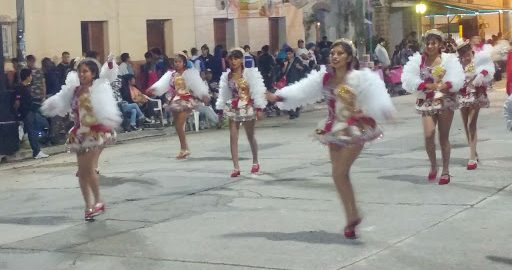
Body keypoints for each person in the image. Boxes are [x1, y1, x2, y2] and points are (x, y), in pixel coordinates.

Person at [266, 39, 395, 239]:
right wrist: (280, 97)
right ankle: (352, 216)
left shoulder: (360, 78)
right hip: (333, 128)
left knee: (339, 173)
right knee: (339, 176)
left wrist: (385, 109)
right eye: (332, 53)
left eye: (340, 53)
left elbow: (376, 93)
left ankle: (353, 215)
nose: (334, 56)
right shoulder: (324, 78)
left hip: (355, 128)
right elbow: (303, 90)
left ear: (349, 58)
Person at [41, 57, 121, 221]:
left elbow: (107, 105)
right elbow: (60, 100)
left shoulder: (99, 88)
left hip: (95, 132)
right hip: (79, 133)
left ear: (93, 73)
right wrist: (50, 105)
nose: (82, 74)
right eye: (80, 71)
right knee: (82, 172)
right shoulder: (74, 90)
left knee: (88, 169)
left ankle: (98, 201)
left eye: (85, 71)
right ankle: (88, 206)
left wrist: (111, 65)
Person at [401, 29, 465, 185]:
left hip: (444, 100)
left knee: (443, 136)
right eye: (428, 43)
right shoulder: (419, 60)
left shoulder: (448, 59)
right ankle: (433, 165)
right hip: (427, 101)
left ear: (440, 45)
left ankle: (446, 170)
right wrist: (424, 85)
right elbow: (409, 78)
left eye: (433, 43)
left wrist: (447, 84)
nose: (429, 46)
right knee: (429, 135)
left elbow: (457, 76)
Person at [149, 52, 210, 159]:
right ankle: (184, 148)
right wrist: (155, 89)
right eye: (175, 62)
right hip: (175, 100)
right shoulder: (171, 74)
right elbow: (163, 84)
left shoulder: (189, 73)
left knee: (179, 125)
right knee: (177, 125)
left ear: (184, 63)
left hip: (186, 100)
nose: (177, 64)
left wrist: (203, 95)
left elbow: (197, 85)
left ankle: (184, 149)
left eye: (179, 62)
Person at [216, 48, 267, 177]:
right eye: (231, 59)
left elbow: (257, 90)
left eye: (236, 58)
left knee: (250, 136)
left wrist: (259, 108)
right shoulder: (226, 76)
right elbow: (224, 94)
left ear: (242, 60)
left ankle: (255, 161)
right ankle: (236, 167)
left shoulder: (249, 73)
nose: (233, 61)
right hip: (233, 107)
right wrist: (220, 109)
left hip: (247, 106)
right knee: (233, 137)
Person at [456, 39, 495, 170]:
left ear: (470, 50)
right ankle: (474, 152)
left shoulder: (478, 59)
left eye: (467, 52)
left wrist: (480, 76)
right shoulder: (457, 64)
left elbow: (487, 69)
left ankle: (472, 158)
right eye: (463, 54)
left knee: (471, 124)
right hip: (461, 95)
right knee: (465, 125)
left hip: (475, 95)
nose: (466, 56)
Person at [12, 68, 49, 159]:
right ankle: (36, 151)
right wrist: (18, 113)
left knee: (34, 130)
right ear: (28, 77)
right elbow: (17, 102)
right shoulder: (20, 88)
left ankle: (37, 150)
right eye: (31, 76)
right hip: (26, 112)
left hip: (30, 111)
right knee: (32, 131)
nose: (31, 77)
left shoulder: (25, 87)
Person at [283, 47, 309, 119]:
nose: (288, 55)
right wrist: (285, 66)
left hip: (296, 81)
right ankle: (291, 112)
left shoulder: (297, 60)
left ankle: (297, 110)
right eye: (287, 54)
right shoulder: (285, 61)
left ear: (292, 54)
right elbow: (283, 72)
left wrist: (299, 67)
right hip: (288, 81)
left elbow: (304, 68)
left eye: (289, 54)